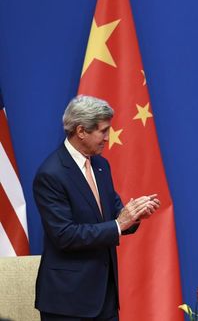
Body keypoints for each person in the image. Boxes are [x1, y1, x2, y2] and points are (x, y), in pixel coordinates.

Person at [33, 95, 160, 320]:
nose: (107, 138)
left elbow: (114, 212)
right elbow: (65, 235)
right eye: (103, 131)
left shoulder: (101, 164)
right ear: (81, 131)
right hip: (68, 302)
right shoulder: (51, 174)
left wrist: (135, 215)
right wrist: (119, 224)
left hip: (105, 297)